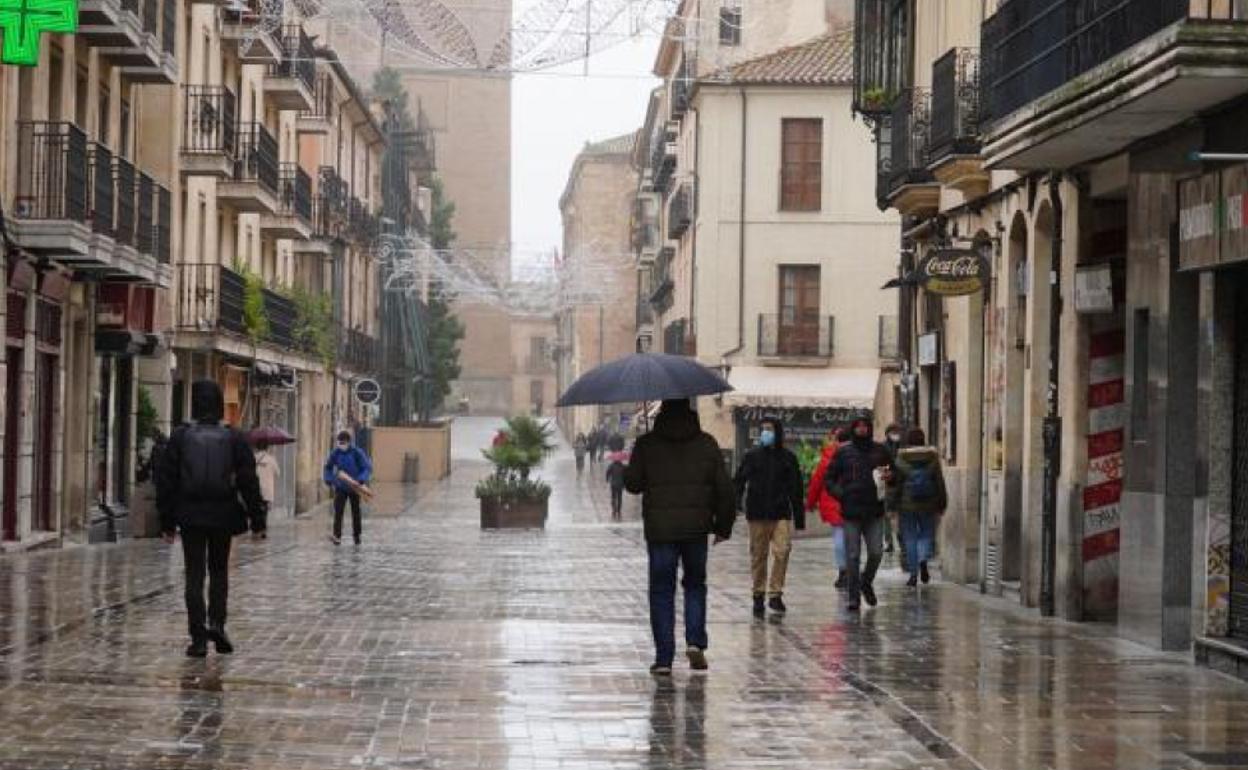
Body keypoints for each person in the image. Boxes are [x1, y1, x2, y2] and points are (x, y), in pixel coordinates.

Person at [624, 399, 735, 675]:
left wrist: (637, 456)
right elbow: (725, 489)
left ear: (660, 414)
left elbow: (633, 485)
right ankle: (695, 641)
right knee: (695, 584)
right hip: (696, 529)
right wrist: (723, 526)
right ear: (691, 412)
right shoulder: (707, 443)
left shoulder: (647, 444)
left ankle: (664, 658)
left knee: (662, 590)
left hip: (660, 530)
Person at [157, 380, 266, 658]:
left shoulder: (181, 436)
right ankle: (217, 623)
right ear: (219, 405)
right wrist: (258, 519)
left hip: (190, 515)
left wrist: (167, 522)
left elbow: (166, 481)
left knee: (194, 574)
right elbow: (248, 480)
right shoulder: (234, 438)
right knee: (219, 572)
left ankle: (198, 637)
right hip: (222, 513)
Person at [734, 418, 804, 617]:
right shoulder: (752, 456)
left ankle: (775, 593)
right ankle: (758, 594)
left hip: (780, 512)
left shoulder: (788, 458)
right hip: (756, 513)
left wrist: (798, 518)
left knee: (782, 551)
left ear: (778, 432)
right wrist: (736, 503)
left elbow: (796, 488)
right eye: (763, 429)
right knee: (759, 555)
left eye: (769, 429)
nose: (765, 432)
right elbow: (739, 481)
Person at [825, 417, 894, 611]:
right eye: (858, 426)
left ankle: (866, 581)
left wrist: (891, 476)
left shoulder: (881, 451)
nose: (862, 430)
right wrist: (841, 494)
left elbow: (894, 473)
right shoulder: (844, 452)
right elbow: (829, 479)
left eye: (865, 426)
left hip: (874, 510)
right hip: (851, 511)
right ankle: (853, 596)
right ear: (853, 428)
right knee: (853, 555)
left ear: (870, 428)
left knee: (876, 552)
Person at [889, 427, 948, 587]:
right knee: (926, 534)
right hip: (928, 502)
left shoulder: (900, 458)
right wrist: (942, 502)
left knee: (910, 537)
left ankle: (913, 574)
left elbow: (896, 484)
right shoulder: (933, 457)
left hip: (906, 504)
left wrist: (892, 505)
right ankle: (923, 560)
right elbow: (939, 482)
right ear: (923, 439)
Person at [807, 427, 851, 589]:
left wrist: (810, 503)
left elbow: (816, 483)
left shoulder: (826, 459)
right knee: (851, 539)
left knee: (839, 539)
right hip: (852, 504)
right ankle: (849, 570)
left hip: (833, 504)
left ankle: (843, 571)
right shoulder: (856, 455)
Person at [323, 430, 372, 545]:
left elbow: (366, 468)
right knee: (338, 511)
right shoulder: (336, 453)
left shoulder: (357, 452)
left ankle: (357, 535)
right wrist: (329, 479)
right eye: (339, 442)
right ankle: (337, 536)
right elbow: (328, 467)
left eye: (343, 442)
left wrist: (361, 479)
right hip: (341, 486)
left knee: (356, 512)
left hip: (355, 486)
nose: (341, 445)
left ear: (349, 442)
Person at [882, 423, 905, 562]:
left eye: (897, 431)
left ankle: (901, 540)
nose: (895, 434)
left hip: (901, 485)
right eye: (892, 431)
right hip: (888, 484)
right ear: (887, 433)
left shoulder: (903, 446)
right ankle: (889, 542)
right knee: (887, 514)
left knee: (900, 515)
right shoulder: (883, 447)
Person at [252, 439, 280, 537]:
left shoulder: (253, 458)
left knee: (255, 509)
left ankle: (255, 529)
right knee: (264, 511)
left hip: (255, 489)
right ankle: (263, 529)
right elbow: (278, 473)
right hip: (267, 490)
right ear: (267, 448)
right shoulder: (271, 459)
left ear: (256, 447)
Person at [605, 454, 626, 519]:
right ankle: (619, 510)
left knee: (613, 497)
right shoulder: (623, 466)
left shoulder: (611, 466)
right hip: (620, 484)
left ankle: (614, 509)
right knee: (619, 497)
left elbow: (607, 473)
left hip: (613, 484)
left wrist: (607, 479)